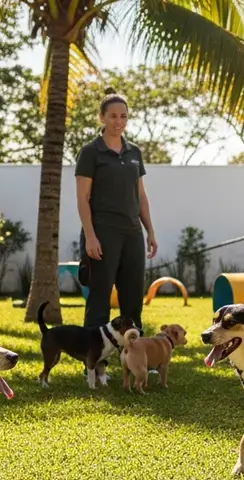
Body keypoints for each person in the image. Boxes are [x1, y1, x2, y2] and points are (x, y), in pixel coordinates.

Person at [75, 88, 158, 330]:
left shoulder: (134, 152)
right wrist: (90, 236)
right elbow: (82, 198)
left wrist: (150, 231)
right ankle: (94, 354)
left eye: (123, 116)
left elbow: (140, 195)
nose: (118, 121)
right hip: (102, 232)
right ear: (102, 117)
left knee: (133, 298)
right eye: (113, 116)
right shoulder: (90, 152)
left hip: (132, 232)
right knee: (99, 299)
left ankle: (133, 350)